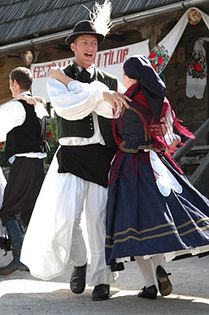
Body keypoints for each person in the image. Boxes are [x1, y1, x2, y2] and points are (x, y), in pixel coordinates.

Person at [21, 0, 129, 301]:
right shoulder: (56, 78)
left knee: (97, 219)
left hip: (100, 156)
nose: (90, 47)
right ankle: (79, 263)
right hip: (70, 154)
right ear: (73, 47)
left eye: (94, 43)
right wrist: (98, 95)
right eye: (84, 42)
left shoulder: (109, 80)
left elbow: (113, 113)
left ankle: (102, 278)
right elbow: (68, 110)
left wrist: (98, 94)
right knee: (66, 219)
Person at [104, 55, 209, 299]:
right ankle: (161, 267)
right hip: (158, 163)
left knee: (136, 225)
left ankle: (150, 284)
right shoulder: (161, 102)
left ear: (130, 76)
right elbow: (171, 137)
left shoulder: (123, 102)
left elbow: (116, 136)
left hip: (130, 166)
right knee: (159, 220)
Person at [0, 67, 48, 275]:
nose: (10, 88)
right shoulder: (38, 104)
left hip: (24, 163)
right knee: (29, 211)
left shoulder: (14, 107)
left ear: (15, 84)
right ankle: (33, 257)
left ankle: (20, 258)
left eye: (10, 84)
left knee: (8, 210)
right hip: (37, 165)